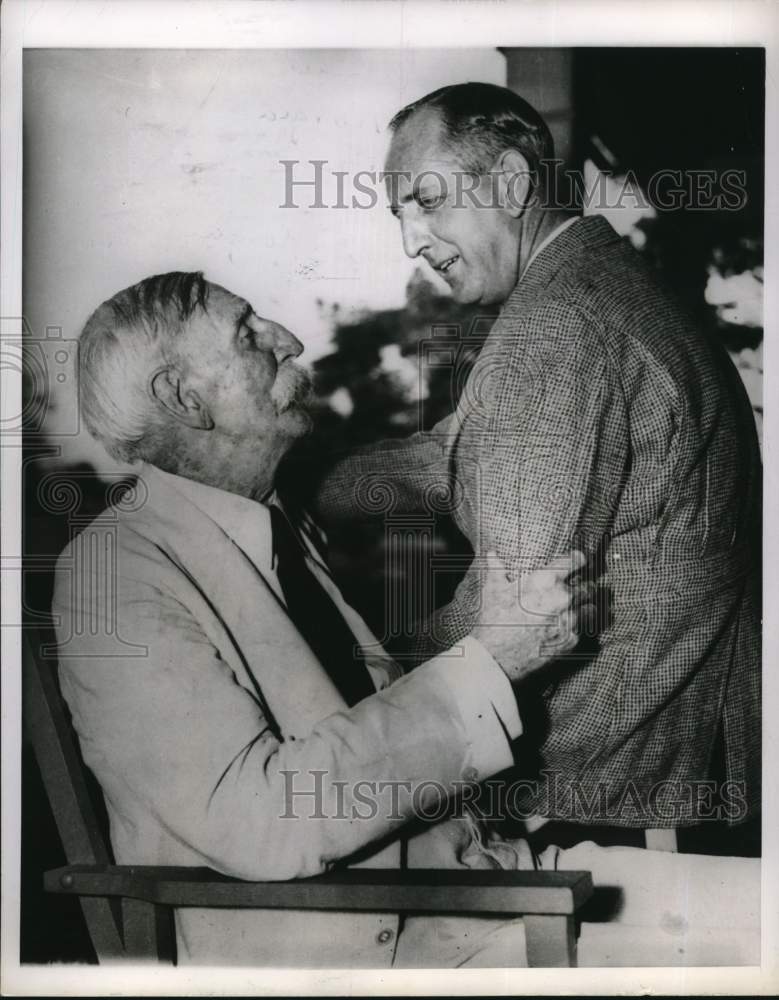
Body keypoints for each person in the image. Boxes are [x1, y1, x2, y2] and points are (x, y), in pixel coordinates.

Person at [53, 271, 758, 968]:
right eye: (247, 332)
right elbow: (257, 822)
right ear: (184, 397)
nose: (288, 339)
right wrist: (489, 662)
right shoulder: (114, 575)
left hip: (482, 885)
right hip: (375, 947)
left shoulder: (271, 522)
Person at [314, 82, 762, 849]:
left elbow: (521, 616)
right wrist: (307, 485)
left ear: (514, 183)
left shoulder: (552, 331)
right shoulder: (601, 287)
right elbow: (454, 452)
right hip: (686, 773)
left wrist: (345, 677)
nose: (412, 242)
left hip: (609, 809)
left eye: (427, 201)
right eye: (399, 215)